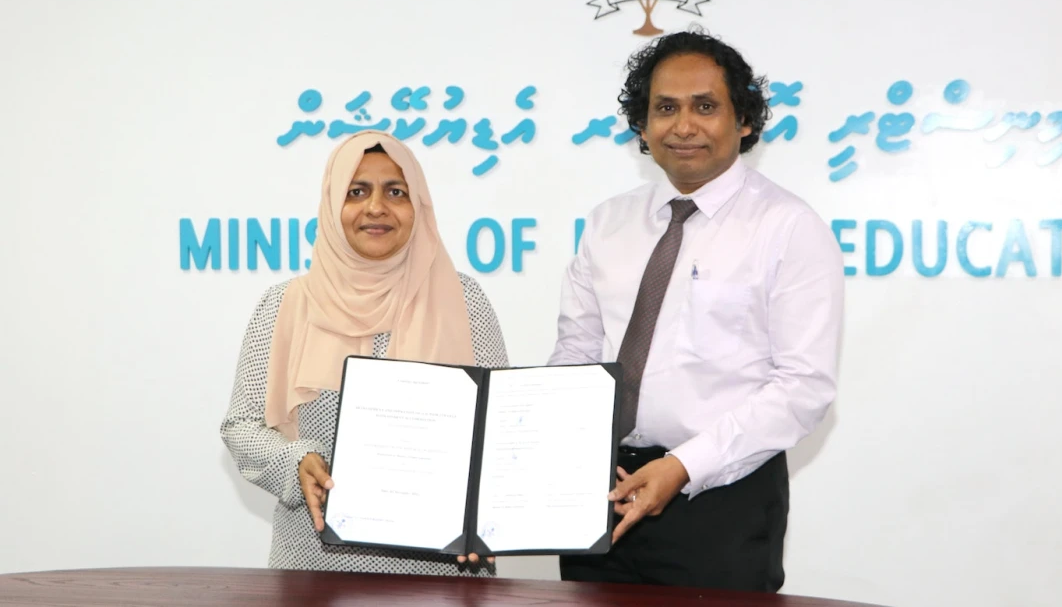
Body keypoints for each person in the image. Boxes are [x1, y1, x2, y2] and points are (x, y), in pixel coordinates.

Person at [549, 29, 845, 592]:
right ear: (642, 126)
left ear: (745, 121)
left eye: (705, 107)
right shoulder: (608, 223)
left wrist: (684, 465)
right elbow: (576, 352)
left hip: (720, 501)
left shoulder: (788, 227)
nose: (683, 126)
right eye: (665, 108)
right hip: (600, 491)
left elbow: (803, 386)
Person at [220, 130, 508, 576]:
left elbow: (500, 427)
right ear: (333, 203)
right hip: (315, 567)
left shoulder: (463, 300)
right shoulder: (285, 304)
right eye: (356, 192)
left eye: (396, 192)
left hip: (442, 570)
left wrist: (489, 514)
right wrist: (296, 461)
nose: (376, 207)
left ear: (418, 206)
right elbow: (241, 427)